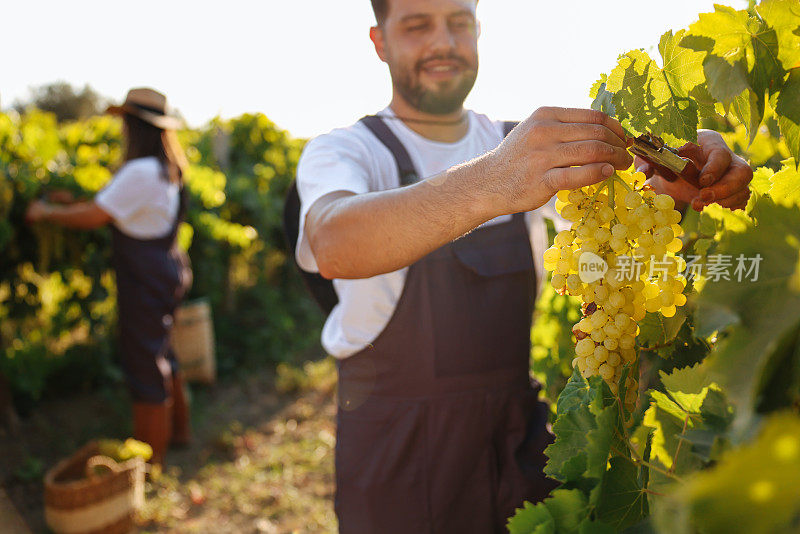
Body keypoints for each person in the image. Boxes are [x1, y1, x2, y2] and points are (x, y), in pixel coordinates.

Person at [297, 2, 752, 531]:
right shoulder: (349, 150)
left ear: (478, 32)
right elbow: (330, 240)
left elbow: (617, 225)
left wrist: (680, 185)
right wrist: (494, 182)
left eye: (458, 22)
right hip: (400, 454)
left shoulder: (523, 144)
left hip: (519, 438)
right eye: (417, 24)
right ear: (379, 41)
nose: (443, 41)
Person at [25, 88, 194, 466]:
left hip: (145, 280)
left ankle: (150, 465)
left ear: (135, 126)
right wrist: (74, 202)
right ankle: (180, 433)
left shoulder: (139, 171)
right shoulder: (166, 169)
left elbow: (95, 216)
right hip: (167, 271)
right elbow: (119, 207)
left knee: (145, 367)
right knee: (163, 353)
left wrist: (47, 212)